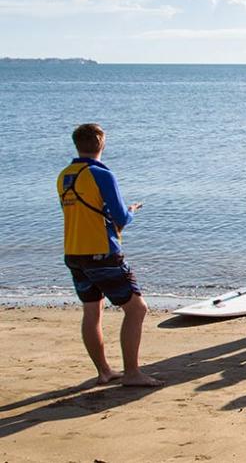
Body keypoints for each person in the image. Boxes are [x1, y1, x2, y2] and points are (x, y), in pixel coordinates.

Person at [57, 123, 162, 387]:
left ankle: (104, 371)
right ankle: (133, 373)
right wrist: (131, 210)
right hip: (102, 252)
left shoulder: (65, 175)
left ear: (77, 145)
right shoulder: (101, 174)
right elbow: (120, 216)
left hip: (74, 251)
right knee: (137, 309)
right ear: (102, 144)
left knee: (92, 310)